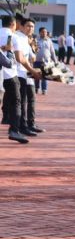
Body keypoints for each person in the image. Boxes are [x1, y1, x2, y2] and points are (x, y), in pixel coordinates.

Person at [2, 15, 34, 144]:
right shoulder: (13, 36)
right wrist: (32, 71)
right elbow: (20, 58)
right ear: (13, 24)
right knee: (16, 101)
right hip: (10, 74)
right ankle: (14, 130)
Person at [14, 16, 42, 136]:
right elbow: (20, 58)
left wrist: (33, 48)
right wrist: (32, 70)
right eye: (28, 26)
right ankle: (22, 126)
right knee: (22, 100)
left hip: (28, 72)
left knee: (31, 98)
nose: (30, 28)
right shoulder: (18, 37)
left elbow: (33, 57)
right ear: (22, 26)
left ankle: (31, 123)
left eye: (32, 26)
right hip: (19, 72)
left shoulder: (27, 39)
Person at [34, 28, 56, 94]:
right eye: (43, 32)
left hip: (46, 62)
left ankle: (44, 89)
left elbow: (52, 51)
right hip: (37, 61)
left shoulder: (49, 41)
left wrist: (55, 60)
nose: (44, 33)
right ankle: (36, 88)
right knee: (37, 76)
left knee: (45, 76)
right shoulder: (36, 40)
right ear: (39, 33)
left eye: (45, 32)